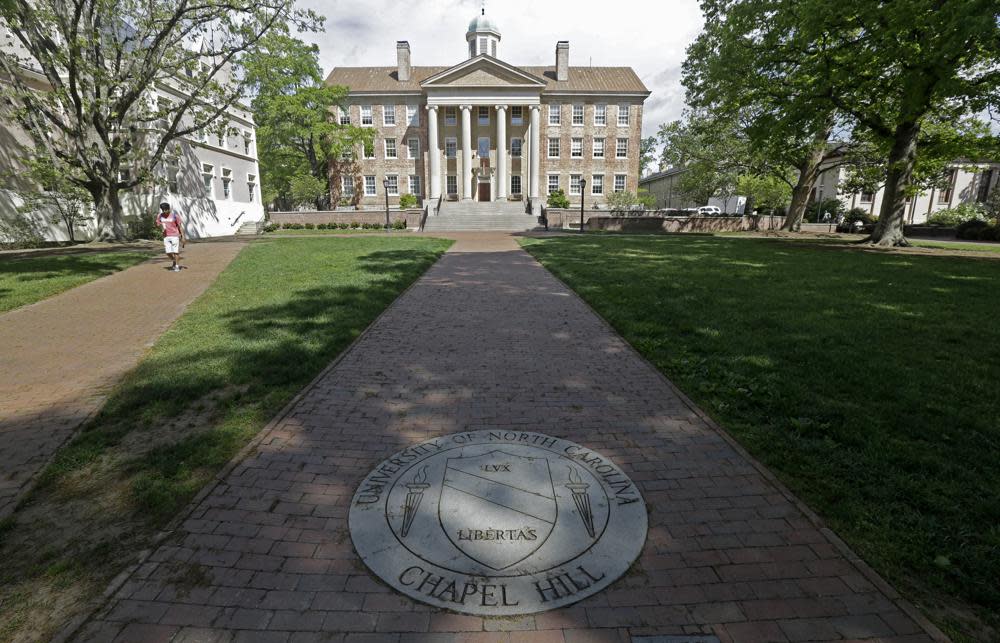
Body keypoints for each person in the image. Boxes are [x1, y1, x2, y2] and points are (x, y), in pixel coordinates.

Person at [155, 202, 185, 272]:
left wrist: (183, 237)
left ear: (169, 209)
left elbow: (180, 227)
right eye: (163, 210)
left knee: (175, 252)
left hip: (175, 235)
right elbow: (157, 224)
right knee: (168, 252)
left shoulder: (175, 216)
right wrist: (159, 226)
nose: (165, 211)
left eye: (166, 210)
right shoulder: (160, 216)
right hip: (166, 236)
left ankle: (177, 266)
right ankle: (174, 261)